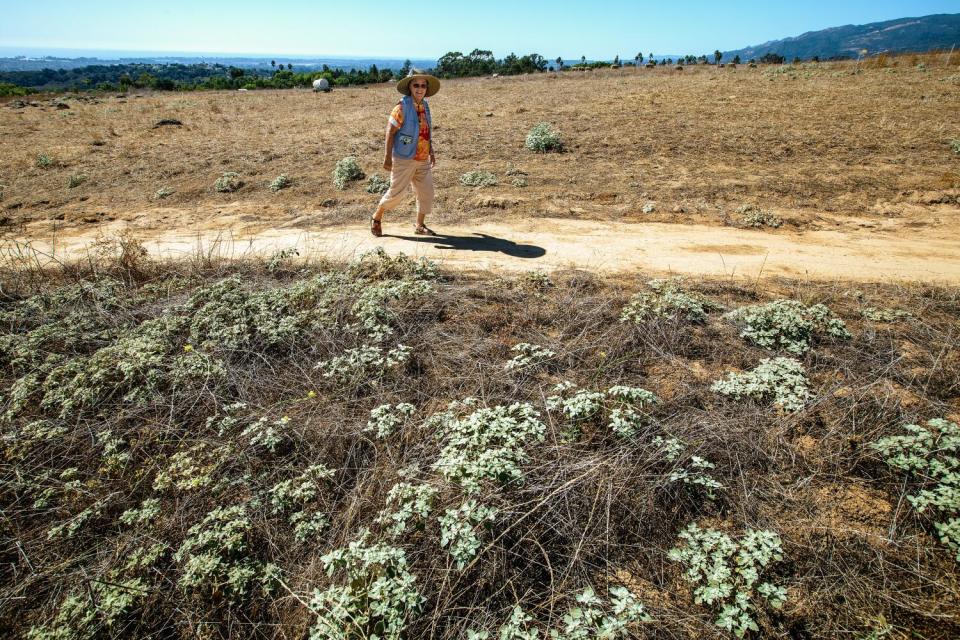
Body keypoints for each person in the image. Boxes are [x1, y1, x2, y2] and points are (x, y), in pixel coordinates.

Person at [370, 69, 440, 237]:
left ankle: (419, 225)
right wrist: (387, 157)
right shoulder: (401, 107)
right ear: (410, 86)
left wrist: (431, 150)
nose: (420, 88)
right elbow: (390, 131)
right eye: (416, 85)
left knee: (426, 192)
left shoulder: (425, 106)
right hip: (404, 158)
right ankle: (376, 217)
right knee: (396, 193)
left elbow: (425, 130)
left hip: (422, 158)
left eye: (423, 85)